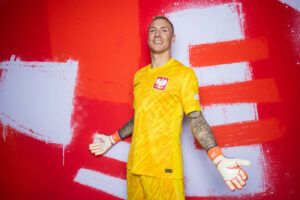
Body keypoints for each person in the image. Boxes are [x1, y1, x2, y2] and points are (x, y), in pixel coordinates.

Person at [89, 15, 250, 200]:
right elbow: (140, 117)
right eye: (153, 30)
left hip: (164, 170)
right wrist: (112, 139)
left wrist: (218, 157)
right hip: (134, 168)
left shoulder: (184, 75)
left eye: (164, 30)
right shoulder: (139, 76)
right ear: (148, 37)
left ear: (172, 39)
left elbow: (196, 118)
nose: (157, 34)